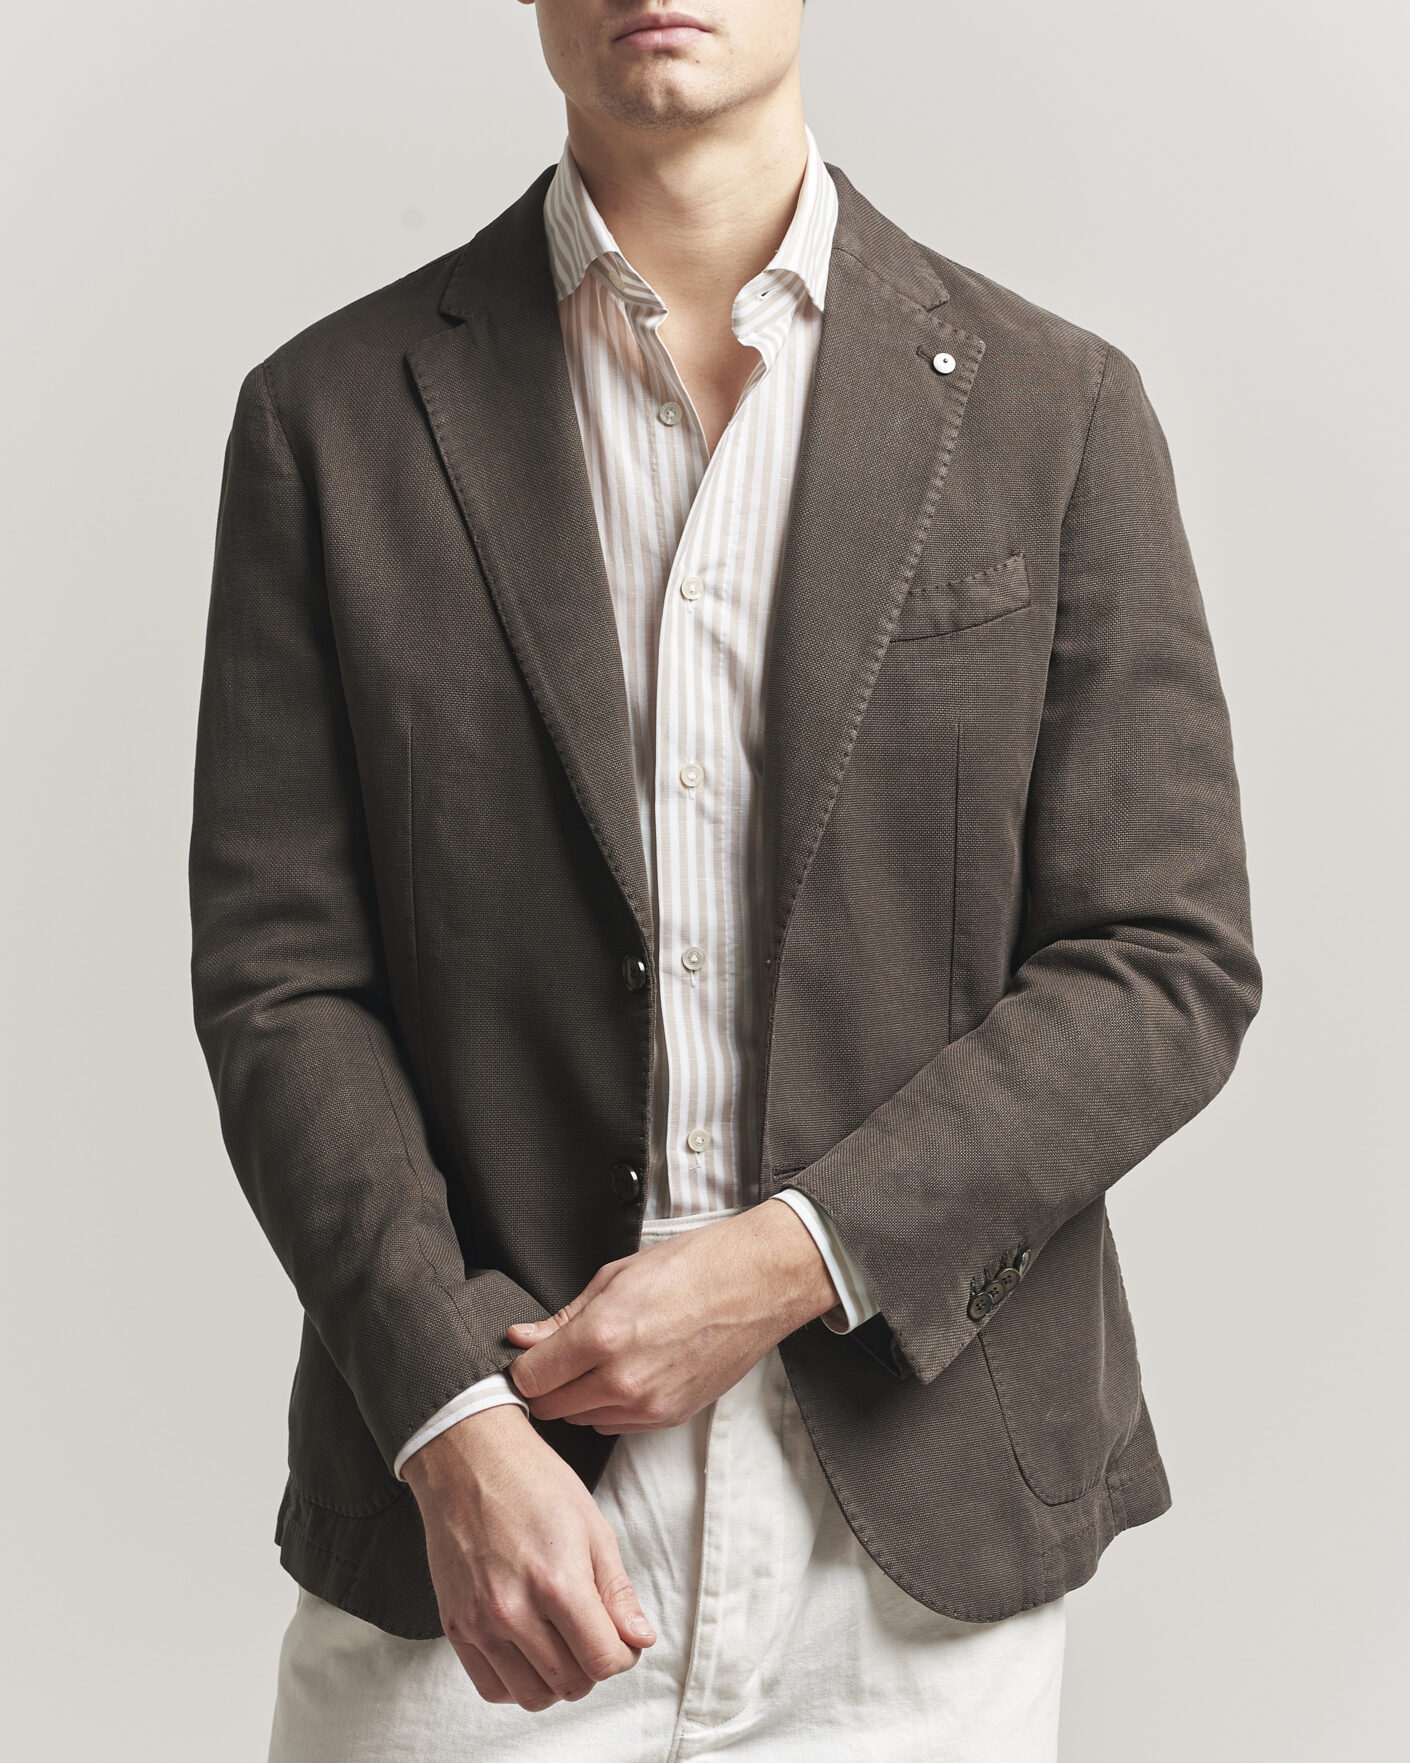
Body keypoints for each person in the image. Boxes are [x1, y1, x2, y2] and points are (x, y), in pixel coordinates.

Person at [188, 3, 1261, 1757]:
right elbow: (280, 980)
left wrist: (785, 1261)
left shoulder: (1052, 407)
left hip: (907, 1530)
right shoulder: (330, 417)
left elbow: (1163, 959)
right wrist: (448, 1416)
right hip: (487, 1509)